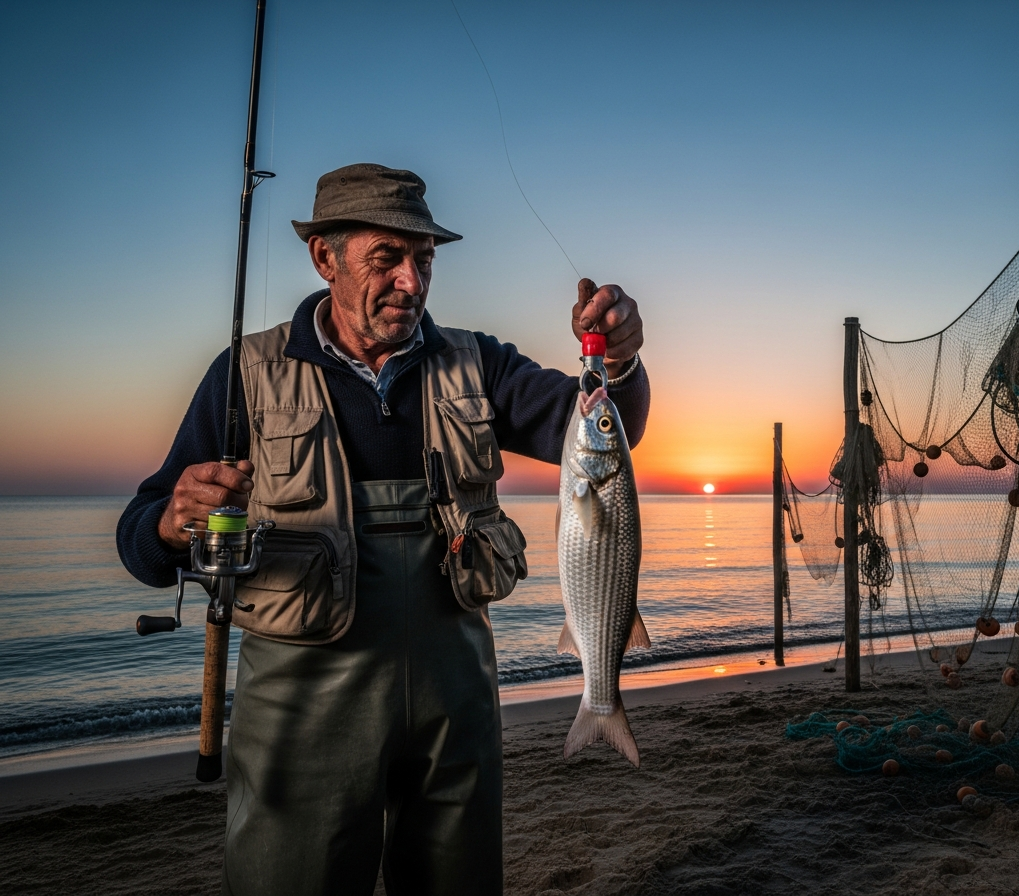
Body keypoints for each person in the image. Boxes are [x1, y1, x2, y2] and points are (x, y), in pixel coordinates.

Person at [116, 163, 650, 895]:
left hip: (455, 705)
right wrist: (173, 526)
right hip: (301, 718)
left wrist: (617, 362)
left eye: (423, 260)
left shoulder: (477, 363)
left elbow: (606, 429)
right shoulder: (247, 374)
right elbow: (140, 534)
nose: (411, 282)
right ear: (324, 258)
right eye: (387, 259)